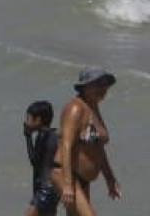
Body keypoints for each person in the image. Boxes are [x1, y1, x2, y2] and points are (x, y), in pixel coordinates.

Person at [52, 68, 120, 216]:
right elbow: (66, 145)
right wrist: (68, 184)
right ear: (84, 86)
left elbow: (98, 149)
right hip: (66, 174)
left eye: (105, 84)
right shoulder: (75, 108)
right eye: (97, 84)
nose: (102, 88)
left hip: (82, 179)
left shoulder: (93, 107)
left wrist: (110, 178)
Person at [23, 100, 61, 216]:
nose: (26, 122)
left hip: (46, 189)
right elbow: (36, 161)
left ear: (38, 120)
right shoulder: (46, 135)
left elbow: (35, 161)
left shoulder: (47, 136)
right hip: (48, 189)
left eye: (28, 118)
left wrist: (28, 137)